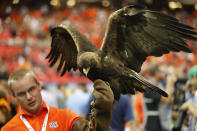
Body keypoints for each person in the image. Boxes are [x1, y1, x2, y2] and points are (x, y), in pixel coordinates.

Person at [2, 68, 114, 131]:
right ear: (14, 97)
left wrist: (103, 107)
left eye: (31, 89)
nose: (29, 97)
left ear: (39, 86)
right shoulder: (8, 129)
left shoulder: (65, 117)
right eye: (22, 94)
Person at [143, 64, 176, 131]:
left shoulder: (160, 85)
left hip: (163, 123)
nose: (165, 74)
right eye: (162, 72)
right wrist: (169, 83)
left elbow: (170, 101)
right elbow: (165, 99)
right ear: (156, 73)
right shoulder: (149, 86)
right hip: (152, 124)